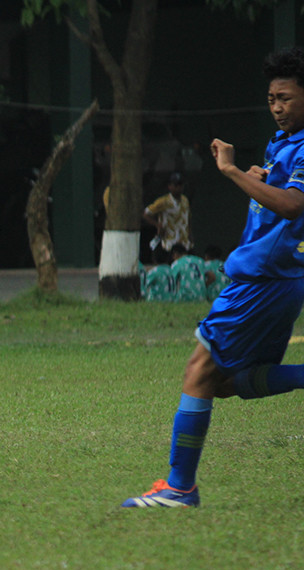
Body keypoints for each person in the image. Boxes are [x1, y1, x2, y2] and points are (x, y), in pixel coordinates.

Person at [122, 46, 304, 508]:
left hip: (262, 279)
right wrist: (253, 176)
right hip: (274, 276)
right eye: (271, 99)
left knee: (199, 370)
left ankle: (180, 487)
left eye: (285, 97)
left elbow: (293, 205)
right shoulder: (283, 142)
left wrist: (229, 172)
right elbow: (277, 196)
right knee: (226, 381)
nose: (277, 107)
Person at [143, 171, 192, 253]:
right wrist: (157, 225)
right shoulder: (163, 201)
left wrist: (190, 234)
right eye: (176, 185)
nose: (178, 188)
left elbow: (188, 217)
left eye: (180, 185)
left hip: (184, 242)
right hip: (169, 242)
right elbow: (146, 214)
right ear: (170, 186)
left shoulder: (185, 200)